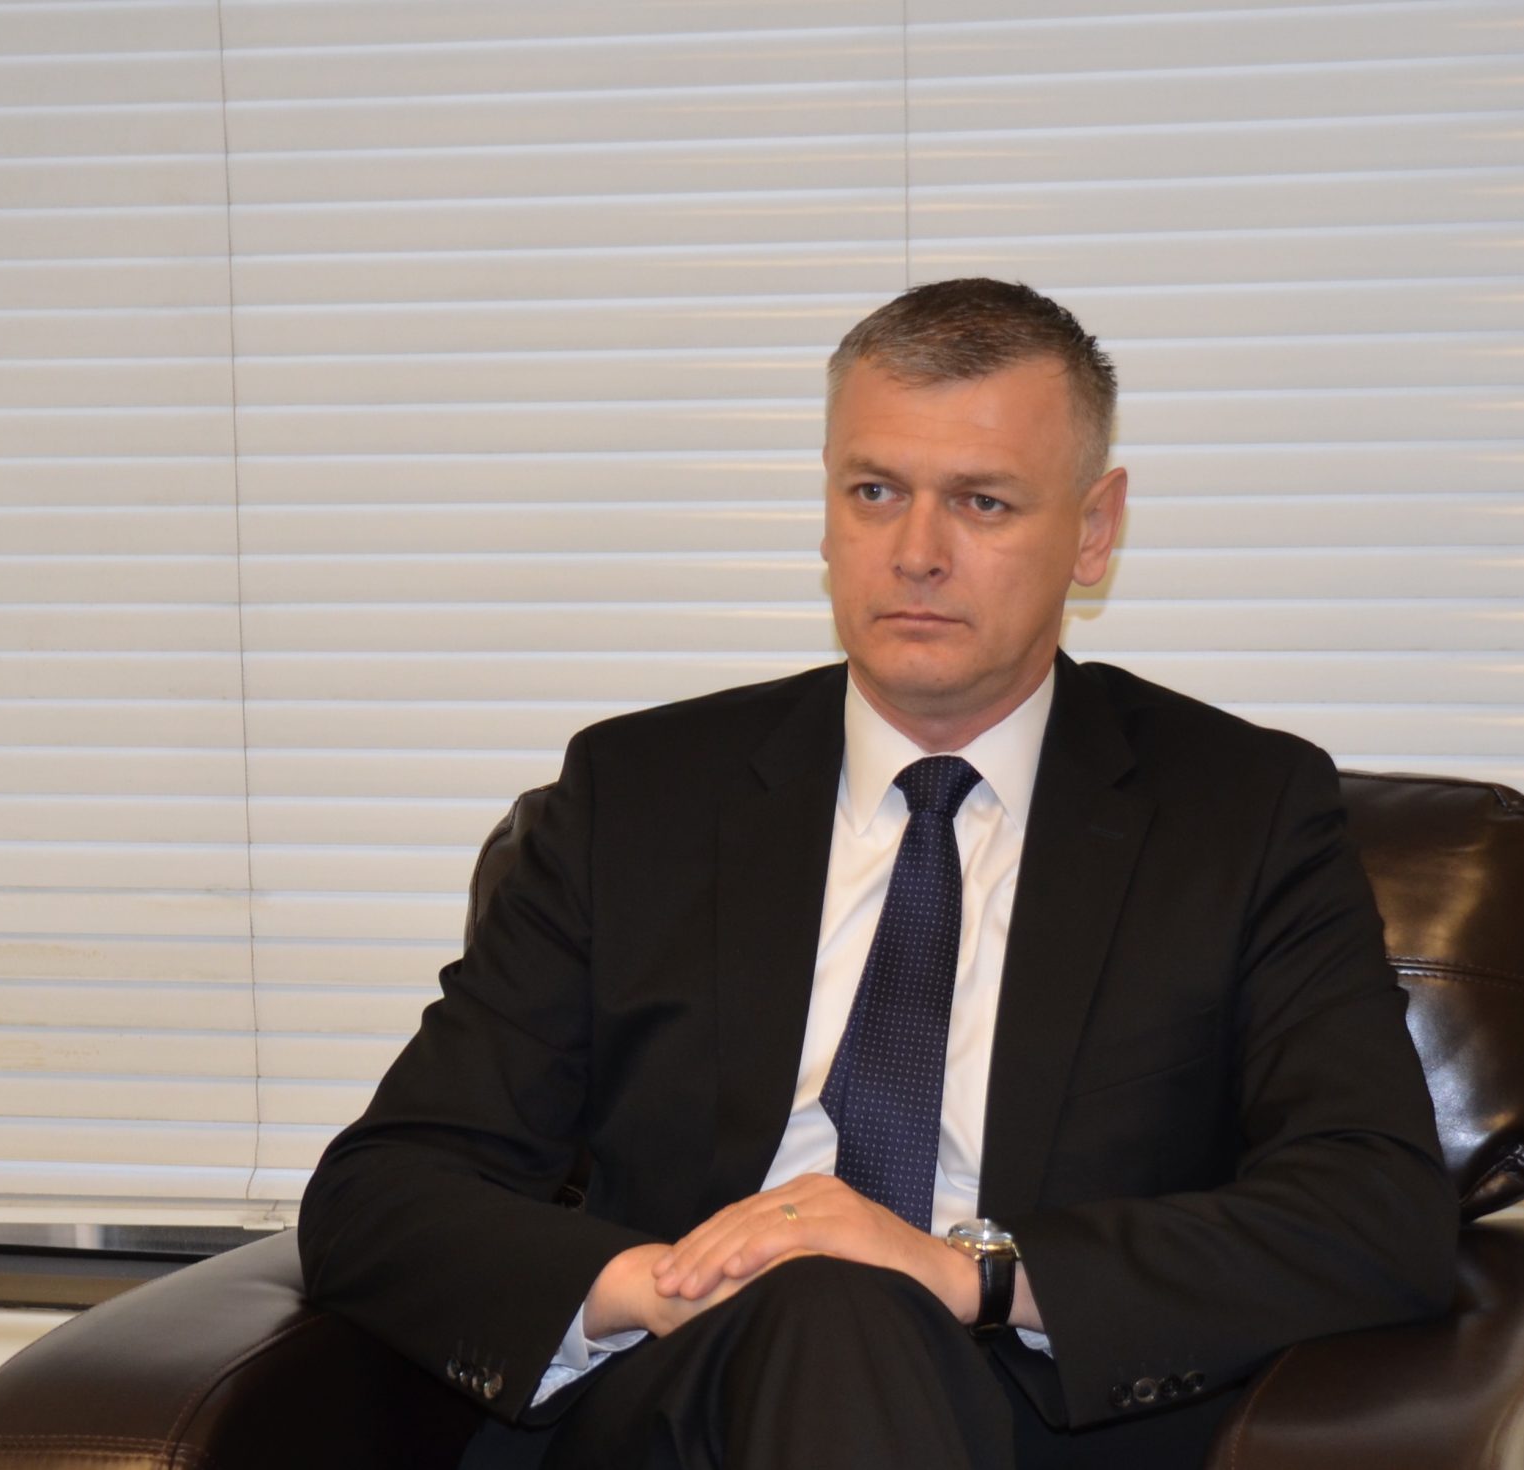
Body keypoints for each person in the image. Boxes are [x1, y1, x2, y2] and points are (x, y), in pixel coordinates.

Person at [296, 278, 1459, 1470]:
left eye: (981, 502)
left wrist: (971, 1273)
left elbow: (1375, 1209)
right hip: (680, 1403)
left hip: (1033, 1420)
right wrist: (651, 1283)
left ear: (1093, 530)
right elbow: (382, 1192)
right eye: (874, 493)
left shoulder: (1237, 813)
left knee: (843, 1310)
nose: (915, 554)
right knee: (816, 1310)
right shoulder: (638, 797)